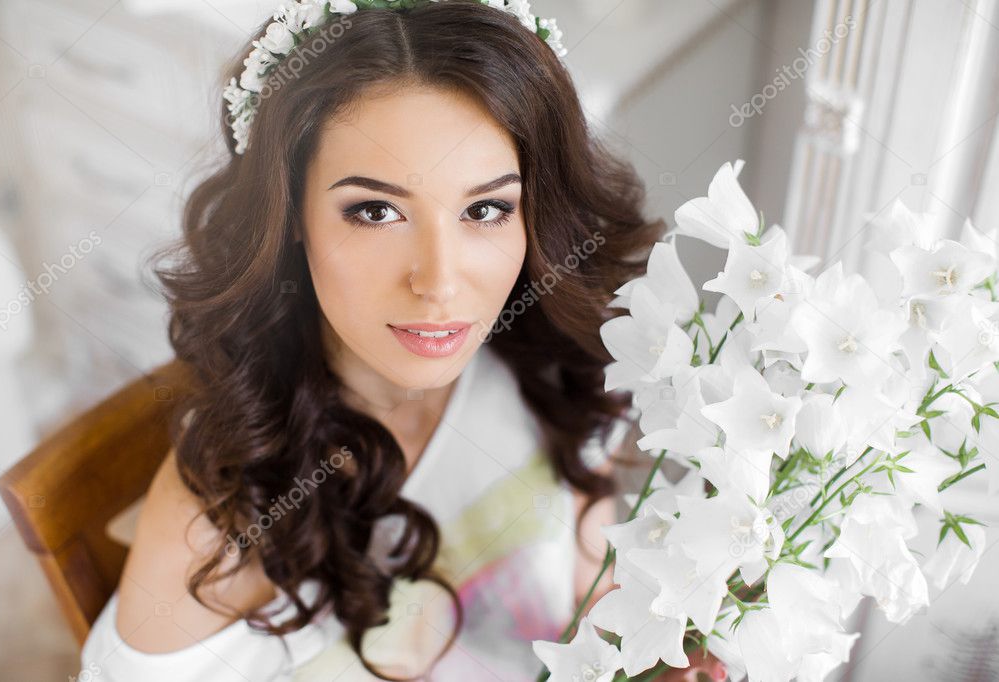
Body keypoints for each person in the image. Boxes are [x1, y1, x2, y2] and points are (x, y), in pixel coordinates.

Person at [79, 1, 728, 680]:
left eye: (485, 209)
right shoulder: (220, 530)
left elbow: (585, 584)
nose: (439, 282)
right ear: (289, 213)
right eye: (375, 211)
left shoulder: (545, 370)